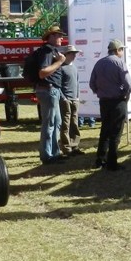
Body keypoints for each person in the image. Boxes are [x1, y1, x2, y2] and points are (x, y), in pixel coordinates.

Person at [89, 38, 131, 171]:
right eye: (122, 50)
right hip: (117, 101)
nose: (122, 53)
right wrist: (126, 94)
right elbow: (129, 84)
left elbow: (92, 84)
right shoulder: (119, 63)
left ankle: (100, 159)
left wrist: (100, 91)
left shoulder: (99, 63)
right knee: (116, 132)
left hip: (104, 101)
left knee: (105, 130)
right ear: (117, 50)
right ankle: (112, 163)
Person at [33, 25, 67, 165]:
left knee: (56, 122)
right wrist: (59, 62)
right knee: (50, 123)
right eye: (58, 35)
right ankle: (47, 155)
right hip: (48, 90)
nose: (61, 38)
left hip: (52, 90)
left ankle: (54, 152)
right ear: (51, 37)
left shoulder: (50, 51)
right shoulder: (47, 52)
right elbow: (42, 73)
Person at [58, 45, 83, 157]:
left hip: (74, 99)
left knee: (74, 123)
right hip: (65, 99)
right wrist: (63, 98)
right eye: (72, 53)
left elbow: (77, 83)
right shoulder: (61, 68)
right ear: (66, 55)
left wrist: (77, 97)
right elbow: (58, 86)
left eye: (75, 53)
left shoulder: (74, 67)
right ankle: (66, 147)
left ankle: (75, 145)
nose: (74, 56)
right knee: (65, 124)